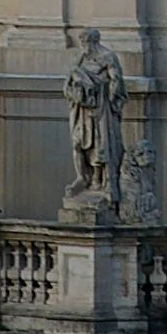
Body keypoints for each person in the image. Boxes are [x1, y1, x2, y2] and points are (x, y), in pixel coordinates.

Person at [63, 28, 128, 208]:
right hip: (81, 109)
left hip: (100, 107)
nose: (84, 46)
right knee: (78, 142)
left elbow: (116, 81)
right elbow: (69, 78)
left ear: (94, 42)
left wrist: (102, 88)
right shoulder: (81, 57)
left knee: (100, 144)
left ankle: (100, 179)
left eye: (86, 42)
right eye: (82, 43)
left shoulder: (108, 56)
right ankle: (82, 176)